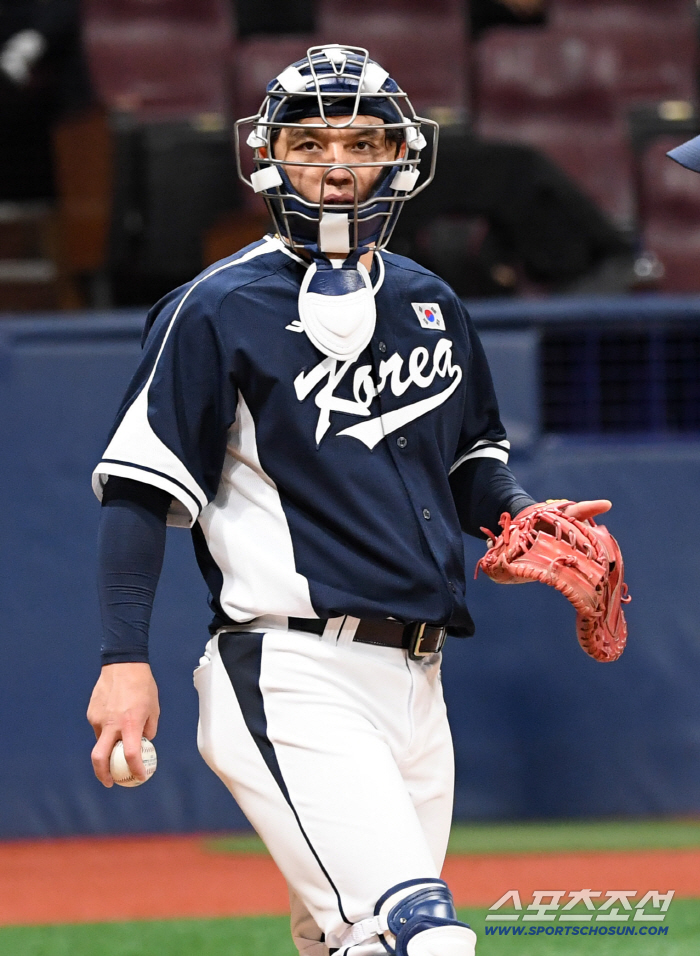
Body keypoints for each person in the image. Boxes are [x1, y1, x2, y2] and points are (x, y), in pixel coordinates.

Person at [87, 46, 611, 956]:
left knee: (349, 941)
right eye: (309, 140)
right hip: (291, 676)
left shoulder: (428, 300)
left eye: (362, 140)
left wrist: (516, 511)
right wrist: (122, 660)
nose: (335, 163)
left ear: (400, 157)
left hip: (418, 680)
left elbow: (470, 464)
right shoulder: (213, 308)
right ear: (268, 155)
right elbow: (139, 492)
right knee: (422, 934)